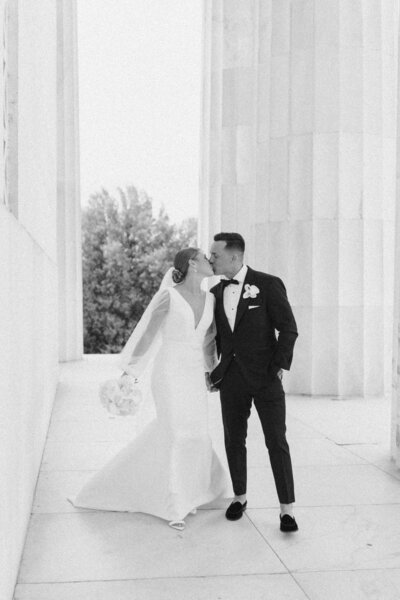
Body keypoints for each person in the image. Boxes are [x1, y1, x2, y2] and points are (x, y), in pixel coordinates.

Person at [71, 248, 231, 530]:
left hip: (194, 374)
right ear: (192, 264)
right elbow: (147, 334)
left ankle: (196, 492)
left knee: (195, 432)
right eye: (206, 257)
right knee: (176, 431)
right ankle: (174, 502)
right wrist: (130, 373)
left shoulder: (212, 299)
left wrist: (211, 372)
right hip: (169, 372)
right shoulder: (168, 296)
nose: (211, 260)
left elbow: (209, 340)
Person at [208, 232, 299, 532]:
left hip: (265, 379)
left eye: (216, 255)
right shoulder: (216, 293)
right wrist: (213, 370)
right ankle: (239, 496)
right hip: (231, 379)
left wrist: (278, 366)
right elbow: (212, 337)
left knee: (277, 442)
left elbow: (288, 329)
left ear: (234, 257)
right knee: (234, 440)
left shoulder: (269, 284)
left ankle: (287, 509)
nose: (211, 259)